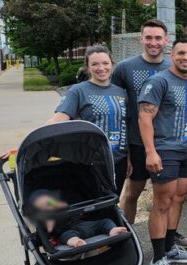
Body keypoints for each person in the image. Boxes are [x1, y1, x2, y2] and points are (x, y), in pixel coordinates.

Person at [138, 39, 187, 265]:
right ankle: (157, 260)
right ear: (171, 55)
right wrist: (151, 152)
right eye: (181, 53)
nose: (186, 57)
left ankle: (170, 247)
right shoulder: (159, 81)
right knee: (162, 202)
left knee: (179, 198)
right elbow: (144, 118)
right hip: (165, 150)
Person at [111, 19, 171, 223]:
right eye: (149, 38)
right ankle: (127, 237)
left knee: (165, 195)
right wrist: (125, 149)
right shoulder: (124, 68)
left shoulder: (174, 66)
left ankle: (169, 235)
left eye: (158, 38)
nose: (153, 42)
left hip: (167, 140)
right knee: (131, 194)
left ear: (166, 40)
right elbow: (117, 108)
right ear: (141, 39)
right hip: (136, 142)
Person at [48, 45, 129, 195]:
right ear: (87, 67)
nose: (101, 68)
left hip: (119, 161)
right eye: (95, 64)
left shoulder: (121, 92)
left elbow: (127, 125)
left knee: (113, 203)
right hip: (91, 161)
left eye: (105, 63)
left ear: (112, 64)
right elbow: (58, 120)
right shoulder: (78, 91)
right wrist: (32, 143)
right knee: (94, 205)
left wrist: (129, 157)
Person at [28, 190, 128, 248]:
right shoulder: (45, 219)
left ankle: (112, 230)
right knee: (67, 236)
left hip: (83, 224)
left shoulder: (58, 204)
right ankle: (76, 242)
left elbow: (64, 205)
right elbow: (49, 231)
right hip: (67, 231)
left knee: (105, 222)